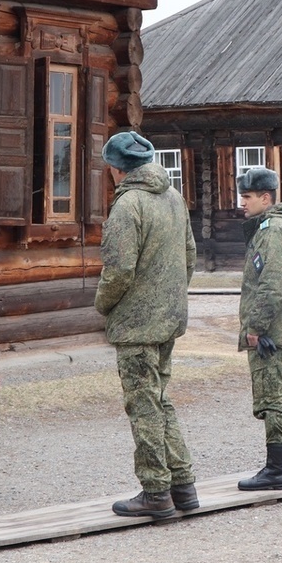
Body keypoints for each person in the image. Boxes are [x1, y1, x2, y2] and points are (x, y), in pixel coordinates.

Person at [95, 130, 199, 518]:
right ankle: (183, 485)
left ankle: (156, 492)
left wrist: (103, 304)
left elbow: (118, 270)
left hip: (137, 324)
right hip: (169, 318)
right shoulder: (173, 198)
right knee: (160, 398)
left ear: (115, 170)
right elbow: (189, 255)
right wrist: (170, 298)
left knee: (144, 404)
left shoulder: (128, 206)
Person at [235, 167, 282, 491]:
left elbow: (273, 284)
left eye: (248, 197)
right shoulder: (279, 227)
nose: (243, 203)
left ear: (266, 198)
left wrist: (255, 326)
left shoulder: (272, 230)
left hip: (272, 333)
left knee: (272, 398)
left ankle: (277, 468)